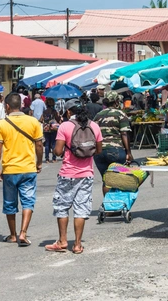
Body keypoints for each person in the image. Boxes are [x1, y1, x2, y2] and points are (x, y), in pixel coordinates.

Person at [45, 99, 103, 254]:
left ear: (69, 111)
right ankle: (77, 244)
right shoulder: (94, 126)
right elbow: (98, 150)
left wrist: (61, 148)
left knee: (62, 207)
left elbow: (57, 152)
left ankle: (63, 241)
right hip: (86, 174)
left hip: (67, 174)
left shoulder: (65, 126)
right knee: (81, 209)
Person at [0, 93, 44, 246]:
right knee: (28, 201)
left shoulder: (1, 124)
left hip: (9, 170)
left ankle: (13, 235)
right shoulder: (33, 122)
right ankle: (23, 233)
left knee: (10, 203)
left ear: (7, 106)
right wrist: (39, 163)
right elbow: (39, 145)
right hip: (28, 168)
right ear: (21, 105)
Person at [93, 92, 133, 195]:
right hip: (116, 150)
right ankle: (118, 206)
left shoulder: (98, 115)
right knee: (119, 179)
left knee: (106, 180)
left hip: (99, 151)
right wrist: (128, 152)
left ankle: (108, 206)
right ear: (116, 101)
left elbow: (93, 133)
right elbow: (124, 134)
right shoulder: (120, 114)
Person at [40, 98, 62, 163]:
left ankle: (47, 159)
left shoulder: (44, 111)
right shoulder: (54, 111)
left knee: (47, 143)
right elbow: (58, 120)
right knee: (53, 143)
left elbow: (41, 120)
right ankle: (54, 158)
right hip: (53, 129)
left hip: (46, 129)